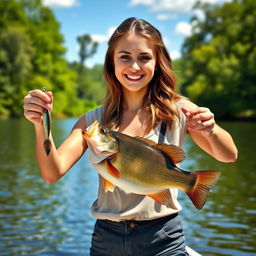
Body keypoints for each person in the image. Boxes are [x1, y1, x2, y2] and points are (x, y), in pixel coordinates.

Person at [23, 17, 238, 256]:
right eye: (124, 57)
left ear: (158, 62)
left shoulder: (179, 111)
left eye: (144, 57)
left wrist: (211, 129)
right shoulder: (93, 120)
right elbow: (52, 173)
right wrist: (40, 123)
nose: (134, 66)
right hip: (107, 240)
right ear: (111, 62)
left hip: (163, 238)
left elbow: (228, 154)